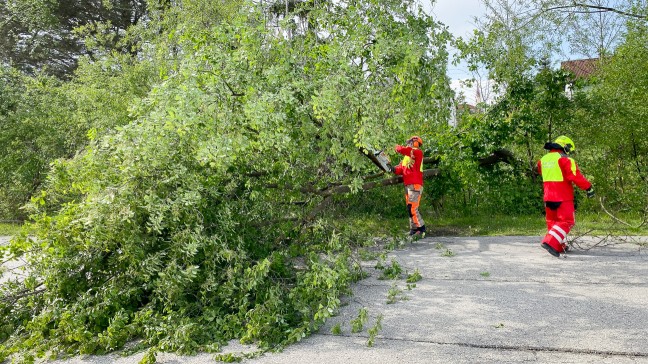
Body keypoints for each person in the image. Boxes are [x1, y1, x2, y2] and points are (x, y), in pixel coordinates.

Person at [537, 135, 594, 257]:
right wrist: (588, 187)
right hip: (563, 196)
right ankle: (550, 242)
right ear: (566, 147)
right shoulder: (565, 160)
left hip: (548, 196)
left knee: (553, 222)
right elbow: (575, 177)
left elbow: (542, 172)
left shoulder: (543, 159)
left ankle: (559, 246)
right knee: (567, 221)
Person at [392, 136, 426, 237]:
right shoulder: (406, 157)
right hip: (408, 185)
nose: (409, 144)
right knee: (409, 208)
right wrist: (391, 168)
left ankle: (421, 229)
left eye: (411, 142)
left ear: (415, 143)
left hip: (415, 184)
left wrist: (394, 147)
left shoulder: (417, 152)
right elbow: (399, 170)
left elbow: (404, 150)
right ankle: (414, 229)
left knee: (412, 208)